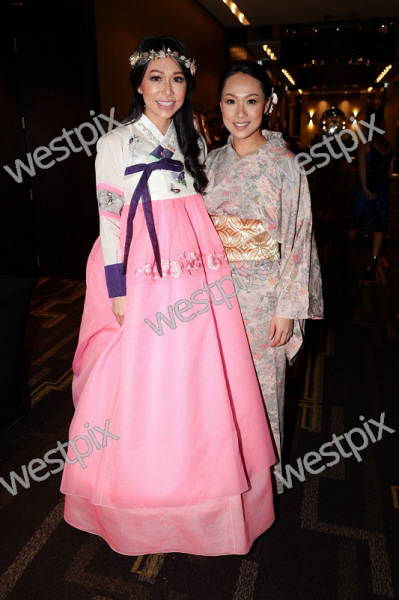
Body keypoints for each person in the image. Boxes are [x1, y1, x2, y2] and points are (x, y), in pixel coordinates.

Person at [60, 37, 276, 556]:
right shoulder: (114, 142)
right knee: (141, 376)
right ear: (138, 85)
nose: (167, 89)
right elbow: (109, 220)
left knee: (196, 375)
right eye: (156, 78)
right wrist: (118, 288)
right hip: (139, 265)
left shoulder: (193, 140)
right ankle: (139, 493)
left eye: (177, 79)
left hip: (195, 266)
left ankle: (201, 488)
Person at [204, 61, 323, 493]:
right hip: (209, 296)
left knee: (260, 395)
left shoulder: (287, 165)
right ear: (219, 106)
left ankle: (260, 492)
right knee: (215, 391)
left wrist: (288, 309)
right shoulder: (208, 162)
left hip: (262, 299)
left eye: (251, 101)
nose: (240, 112)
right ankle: (220, 485)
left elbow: (298, 238)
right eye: (231, 101)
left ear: (268, 104)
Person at [347, 116, 394, 278]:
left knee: (355, 221)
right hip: (382, 191)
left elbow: (361, 169)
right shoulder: (388, 148)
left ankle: (347, 249)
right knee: (378, 227)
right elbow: (389, 171)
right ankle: (373, 260)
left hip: (364, 190)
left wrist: (366, 189)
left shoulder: (364, 146)